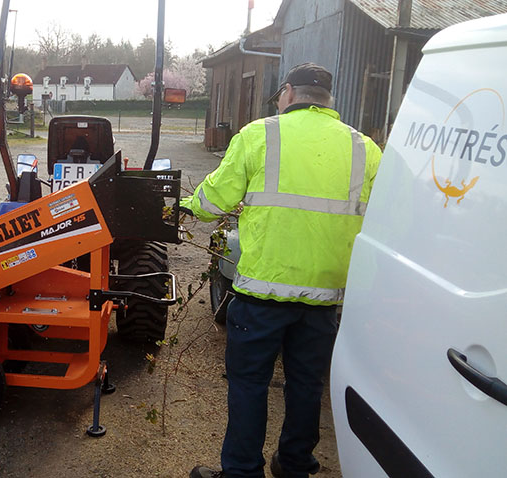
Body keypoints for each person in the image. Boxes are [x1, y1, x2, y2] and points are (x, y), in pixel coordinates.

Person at [182, 63, 382, 478]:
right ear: (328, 99)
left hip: (262, 294)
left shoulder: (260, 135)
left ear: (288, 93)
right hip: (325, 298)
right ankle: (293, 464)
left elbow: (214, 201)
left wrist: (186, 206)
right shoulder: (366, 148)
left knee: (249, 383)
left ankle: (242, 471)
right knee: (307, 385)